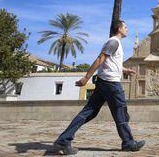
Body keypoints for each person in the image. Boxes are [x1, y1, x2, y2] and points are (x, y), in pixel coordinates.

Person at [53, 20, 145, 155]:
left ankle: (64, 139)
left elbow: (111, 63)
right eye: (125, 27)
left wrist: (125, 70)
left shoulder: (115, 43)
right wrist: (86, 77)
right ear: (119, 28)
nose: (127, 29)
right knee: (120, 111)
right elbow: (100, 59)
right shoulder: (114, 42)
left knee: (90, 111)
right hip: (111, 84)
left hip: (104, 82)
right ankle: (128, 143)